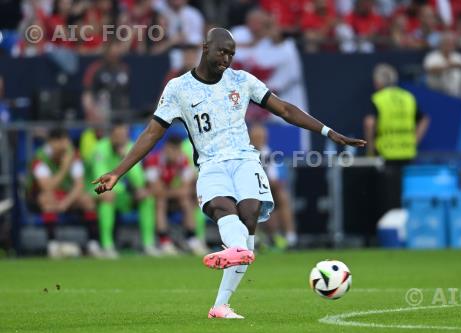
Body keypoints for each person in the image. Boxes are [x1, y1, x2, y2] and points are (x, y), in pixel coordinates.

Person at [92, 28, 365, 318]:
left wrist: (328, 131)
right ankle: (233, 257)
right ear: (205, 47)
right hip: (210, 164)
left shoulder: (242, 80)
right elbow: (152, 133)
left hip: (244, 159)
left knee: (248, 216)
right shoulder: (178, 88)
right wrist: (118, 172)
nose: (227, 58)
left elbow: (284, 109)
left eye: (232, 54)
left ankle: (221, 303)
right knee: (223, 210)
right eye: (222, 51)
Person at [364, 63, 430, 211]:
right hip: (407, 153)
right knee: (407, 197)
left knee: (389, 200)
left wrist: (370, 149)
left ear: (378, 82)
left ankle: (391, 232)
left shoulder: (378, 98)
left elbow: (369, 124)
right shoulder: (408, 97)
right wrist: (414, 140)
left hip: (387, 155)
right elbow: (424, 119)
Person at [27, 128, 100, 258]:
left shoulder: (73, 155)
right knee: (47, 199)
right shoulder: (40, 158)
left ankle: (93, 244)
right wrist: (64, 167)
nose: (65, 145)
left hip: (66, 195)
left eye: (66, 141)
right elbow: (47, 186)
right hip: (39, 196)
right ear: (51, 143)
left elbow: (79, 185)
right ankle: (52, 245)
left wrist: (65, 203)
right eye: (61, 141)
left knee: (87, 200)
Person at [91, 121, 156, 258]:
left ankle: (148, 244)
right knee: (107, 199)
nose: (121, 139)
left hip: (125, 194)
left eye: (124, 135)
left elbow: (138, 180)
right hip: (102, 192)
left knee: (146, 197)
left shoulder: (131, 148)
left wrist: (124, 157)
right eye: (118, 135)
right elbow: (102, 179)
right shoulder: (100, 149)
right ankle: (107, 246)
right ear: (111, 136)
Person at [144, 132, 208, 255]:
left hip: (172, 197)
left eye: (177, 149)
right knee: (160, 202)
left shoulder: (183, 160)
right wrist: (175, 191)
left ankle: (192, 239)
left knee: (186, 200)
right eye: (173, 149)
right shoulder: (153, 160)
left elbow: (186, 189)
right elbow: (156, 190)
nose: (176, 153)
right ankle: (164, 241)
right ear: (166, 148)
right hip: (156, 199)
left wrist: (170, 191)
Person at [249, 124, 298, 250]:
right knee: (253, 199)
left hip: (267, 191)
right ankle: (256, 240)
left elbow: (275, 179)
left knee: (282, 195)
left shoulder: (268, 153)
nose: (259, 140)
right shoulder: (246, 154)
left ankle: (290, 238)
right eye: (256, 137)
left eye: (261, 137)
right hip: (248, 193)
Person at [423, 31, 461, 97]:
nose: (449, 45)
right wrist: (448, 66)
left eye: (451, 43)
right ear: (440, 44)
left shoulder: (459, 57)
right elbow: (430, 70)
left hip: (456, 96)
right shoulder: (432, 57)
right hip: (436, 94)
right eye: (446, 43)